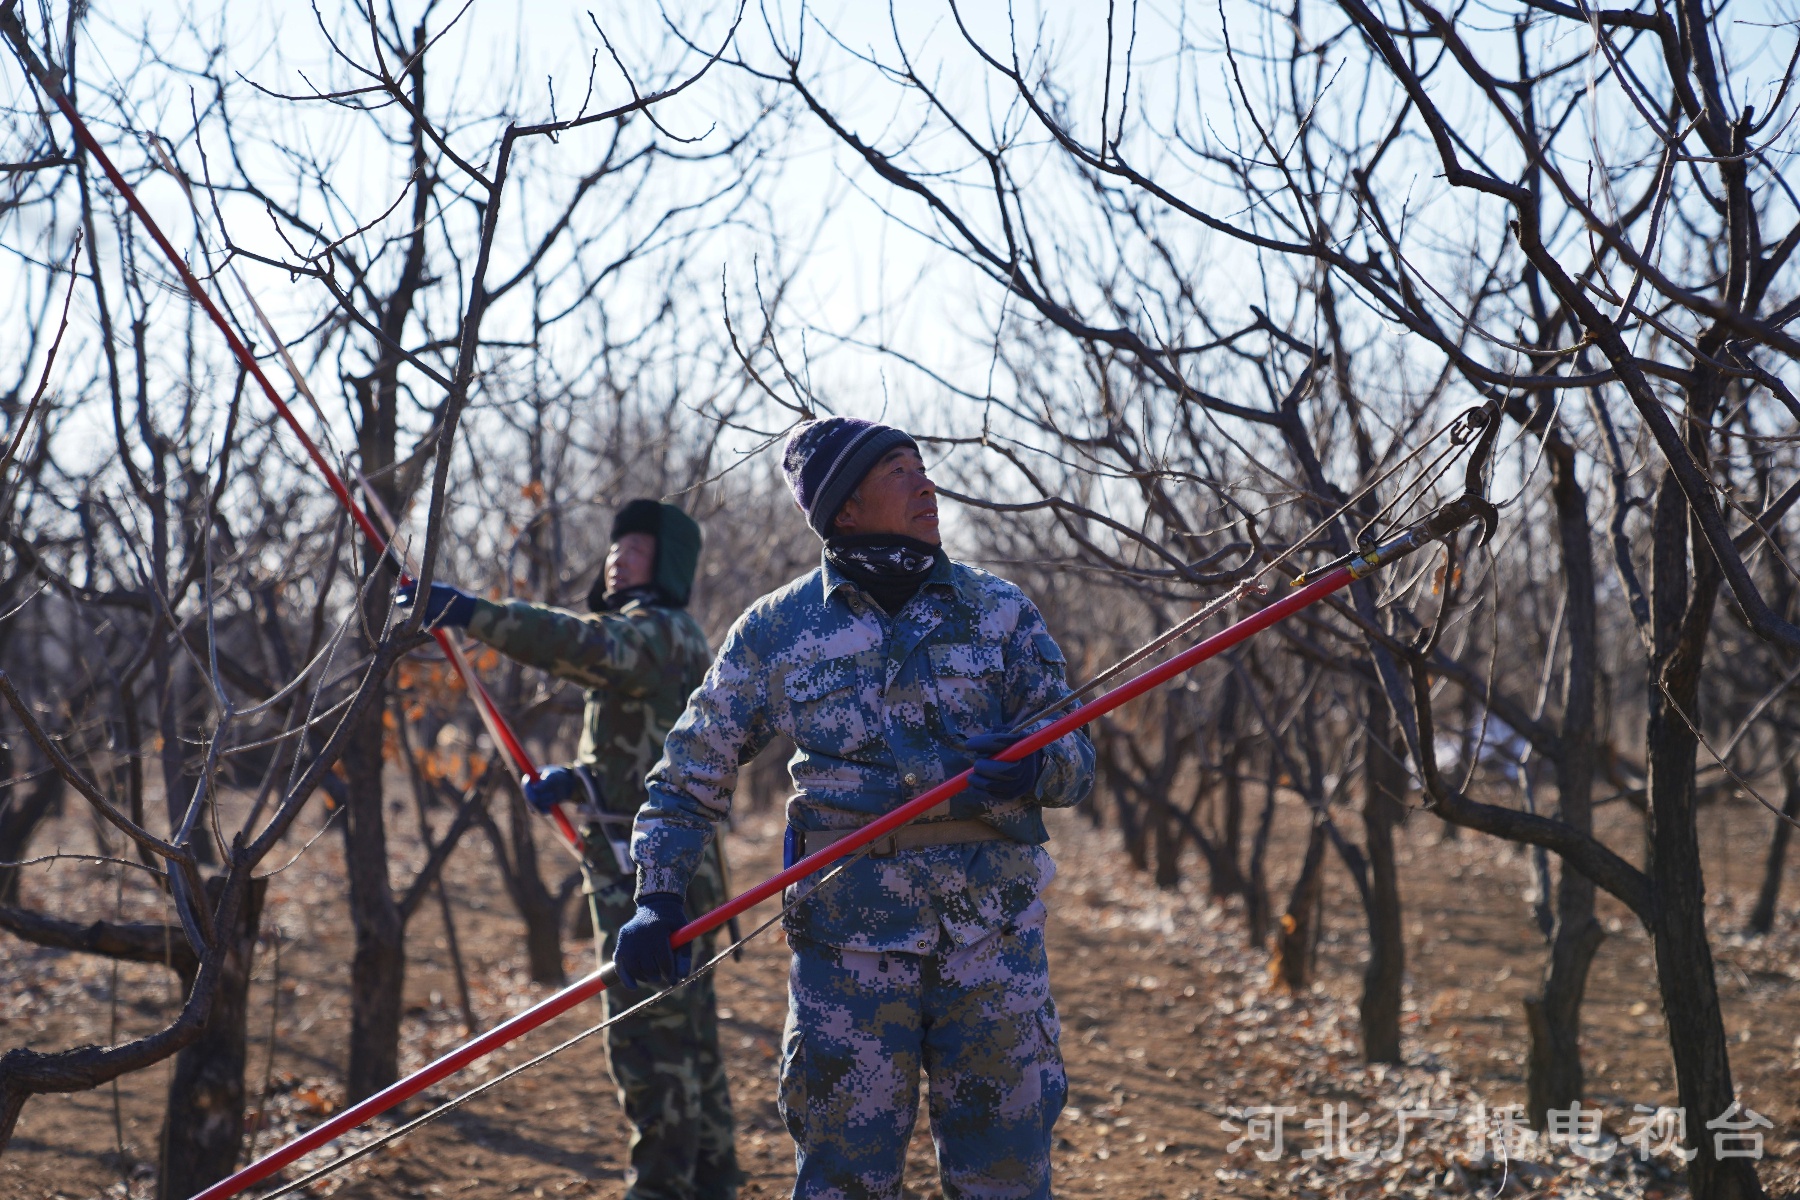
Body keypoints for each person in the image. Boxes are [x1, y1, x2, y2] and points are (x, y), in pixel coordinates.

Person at [617, 418, 1095, 1200]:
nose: (925, 484)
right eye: (900, 471)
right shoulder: (778, 628)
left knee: (1006, 1175)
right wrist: (658, 891)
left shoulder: (1001, 613)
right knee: (846, 1181)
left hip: (993, 940)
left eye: (923, 467)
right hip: (849, 954)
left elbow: (1079, 761)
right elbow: (690, 766)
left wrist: (1033, 768)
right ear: (845, 508)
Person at [397, 499, 739, 1200]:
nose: (618, 555)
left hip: (653, 875)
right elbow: (644, 751)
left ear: (667, 562)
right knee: (687, 1032)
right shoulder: (649, 637)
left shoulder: (663, 633)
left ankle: (664, 1188)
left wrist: (472, 612)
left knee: (651, 1037)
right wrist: (579, 781)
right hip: (634, 857)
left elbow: (586, 647)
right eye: (615, 545)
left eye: (636, 545)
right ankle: (712, 1181)